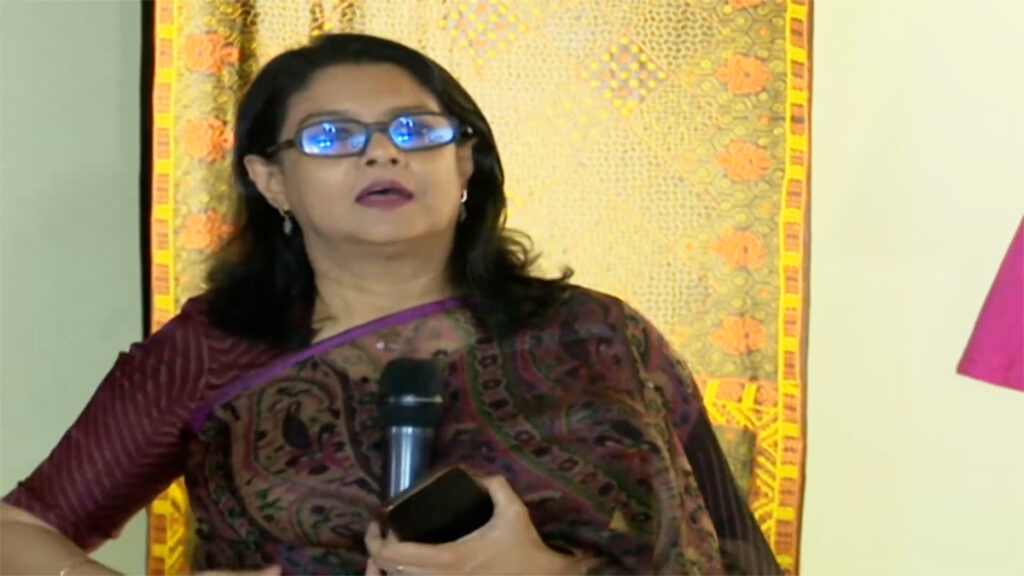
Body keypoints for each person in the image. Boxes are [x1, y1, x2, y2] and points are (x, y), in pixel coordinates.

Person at [0, 33, 781, 575]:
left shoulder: (596, 334)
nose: (383, 152)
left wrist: (550, 573)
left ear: (465, 161)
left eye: (415, 129)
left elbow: (739, 556)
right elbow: (17, 532)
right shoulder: (212, 349)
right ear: (271, 181)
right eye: (331, 137)